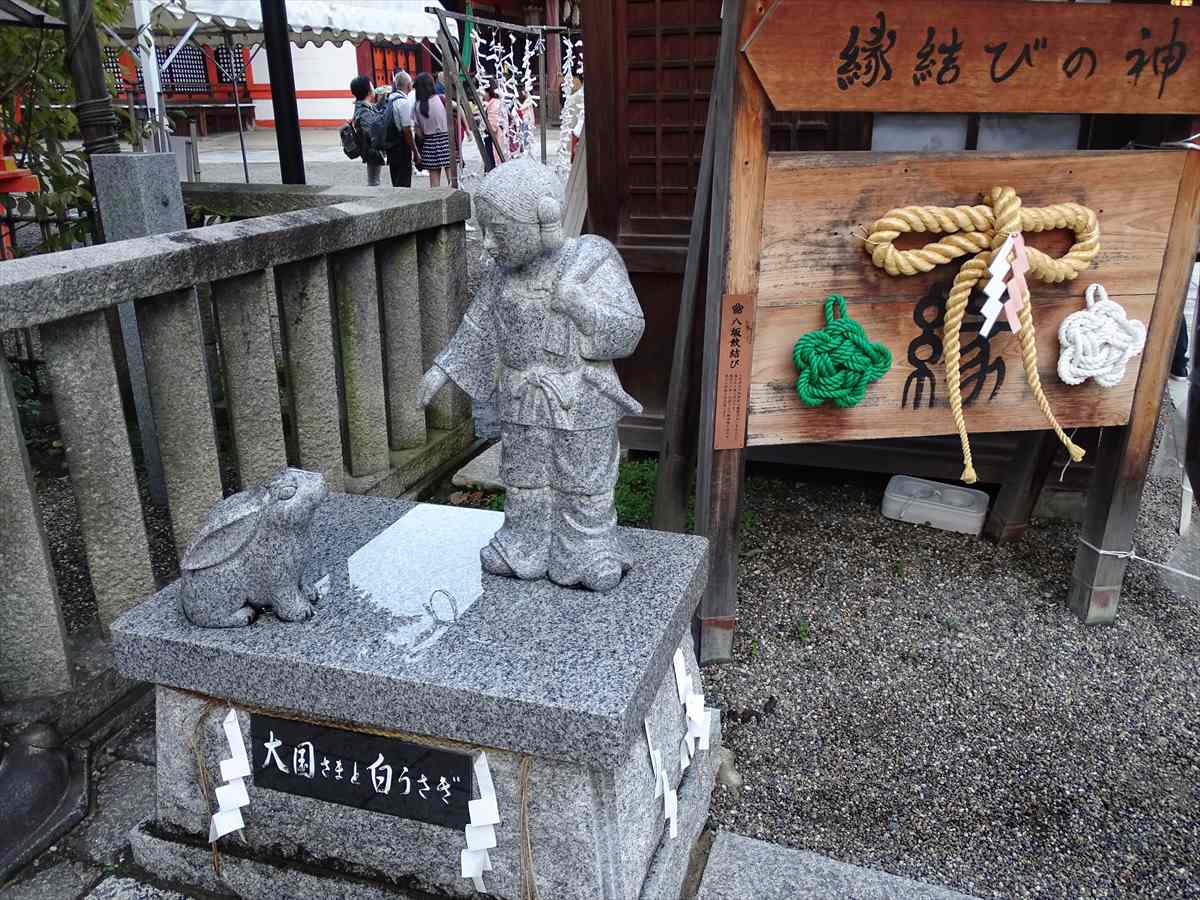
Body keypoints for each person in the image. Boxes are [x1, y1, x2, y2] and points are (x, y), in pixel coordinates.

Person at [418, 158, 645, 592]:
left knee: (583, 479)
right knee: (524, 476)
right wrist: (443, 368)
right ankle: (524, 543)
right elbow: (478, 325)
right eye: (485, 231)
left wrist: (579, 305)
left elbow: (629, 328)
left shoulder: (592, 259)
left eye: (498, 232)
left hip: (579, 394)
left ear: (543, 219)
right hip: (521, 395)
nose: (487, 244)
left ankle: (590, 549)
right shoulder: (498, 274)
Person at [413, 72, 451, 188]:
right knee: (452, 180)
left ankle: (437, 203)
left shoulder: (417, 106)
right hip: (446, 141)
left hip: (429, 144)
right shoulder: (442, 99)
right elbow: (458, 107)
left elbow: (418, 132)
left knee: (434, 183)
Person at [387, 71, 421, 188]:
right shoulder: (403, 102)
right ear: (408, 85)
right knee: (404, 182)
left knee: (395, 180)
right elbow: (407, 130)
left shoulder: (389, 99)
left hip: (390, 145)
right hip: (401, 146)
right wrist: (415, 152)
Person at [349, 75, 385, 186]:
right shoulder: (363, 111)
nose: (374, 87)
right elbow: (372, 129)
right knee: (374, 181)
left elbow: (374, 111)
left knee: (375, 179)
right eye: (371, 85)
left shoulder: (363, 106)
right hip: (371, 150)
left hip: (371, 149)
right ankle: (374, 200)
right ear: (368, 91)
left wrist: (381, 101)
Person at [482, 86, 507, 170]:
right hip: (492, 133)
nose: (483, 95)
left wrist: (487, 129)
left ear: (489, 92)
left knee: (492, 157)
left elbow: (493, 122)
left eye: (484, 92)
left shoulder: (493, 103)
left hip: (492, 134)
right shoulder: (493, 102)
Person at [515, 87, 536, 154]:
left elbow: (522, 108)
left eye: (525, 92)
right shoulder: (527, 100)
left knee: (526, 134)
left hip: (527, 119)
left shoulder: (529, 100)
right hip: (525, 119)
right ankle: (524, 147)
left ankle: (526, 148)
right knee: (524, 133)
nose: (523, 94)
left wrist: (517, 104)